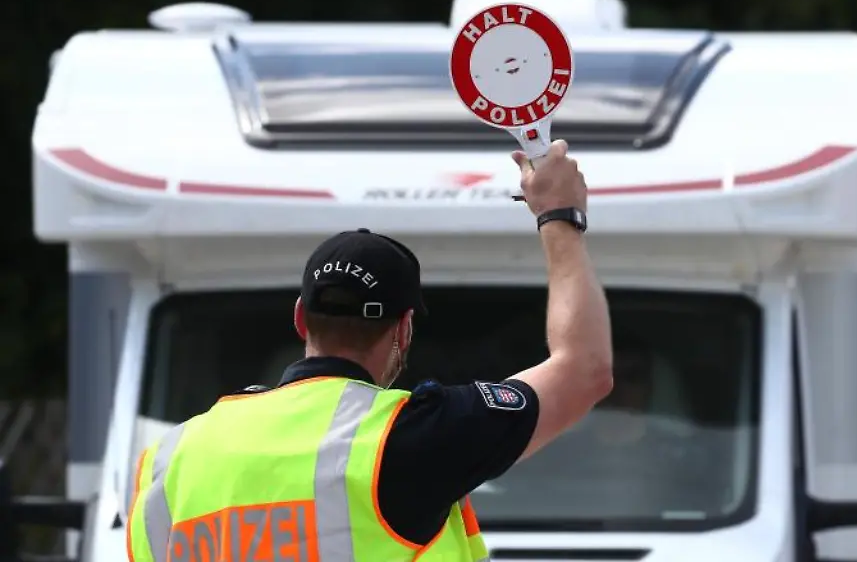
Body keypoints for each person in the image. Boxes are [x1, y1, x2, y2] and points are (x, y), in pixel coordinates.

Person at [125, 140, 613, 562]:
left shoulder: (171, 459)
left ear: (300, 317)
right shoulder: (408, 437)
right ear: (403, 330)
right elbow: (584, 369)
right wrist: (558, 215)